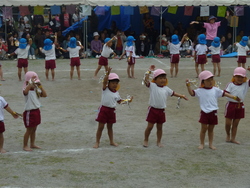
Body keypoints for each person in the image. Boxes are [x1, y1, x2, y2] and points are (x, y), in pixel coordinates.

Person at [186, 70, 240, 150]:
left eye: (211, 79)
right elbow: (192, 93)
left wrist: (233, 97)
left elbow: (224, 93)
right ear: (203, 81)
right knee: (204, 128)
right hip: (204, 112)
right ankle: (202, 143)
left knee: (211, 129)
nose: (210, 82)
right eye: (208, 80)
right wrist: (188, 86)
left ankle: (211, 144)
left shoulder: (215, 90)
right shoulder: (200, 91)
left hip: (214, 112)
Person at [143, 69, 188, 147]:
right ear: (155, 79)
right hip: (152, 110)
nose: (162, 80)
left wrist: (182, 96)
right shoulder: (152, 86)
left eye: (164, 78)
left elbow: (173, 93)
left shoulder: (166, 88)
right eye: (160, 78)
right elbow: (146, 80)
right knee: (150, 126)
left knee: (160, 127)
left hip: (161, 111)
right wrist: (148, 72)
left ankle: (159, 141)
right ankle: (146, 139)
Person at [93, 67, 133, 148]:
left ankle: (111, 141)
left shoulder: (116, 93)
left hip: (112, 111)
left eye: (116, 83)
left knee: (110, 127)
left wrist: (128, 101)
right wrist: (107, 73)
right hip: (103, 110)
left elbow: (119, 101)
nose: (115, 85)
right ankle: (97, 142)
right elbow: (104, 82)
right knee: (100, 127)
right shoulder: (105, 89)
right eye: (113, 83)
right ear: (108, 83)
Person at [22, 71, 47, 151]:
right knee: (29, 129)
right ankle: (25, 145)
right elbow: (25, 92)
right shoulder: (26, 89)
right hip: (30, 111)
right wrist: (30, 83)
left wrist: (40, 86)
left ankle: (32, 144)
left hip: (36, 110)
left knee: (34, 129)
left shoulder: (36, 89)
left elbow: (45, 95)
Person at [224, 67, 250, 144]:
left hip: (240, 106)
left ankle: (233, 138)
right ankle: (228, 135)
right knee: (228, 123)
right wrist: (233, 97)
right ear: (234, 77)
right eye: (238, 77)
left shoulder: (246, 84)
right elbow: (225, 93)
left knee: (236, 124)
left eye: (242, 77)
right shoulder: (230, 84)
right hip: (231, 105)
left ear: (245, 78)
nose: (240, 79)